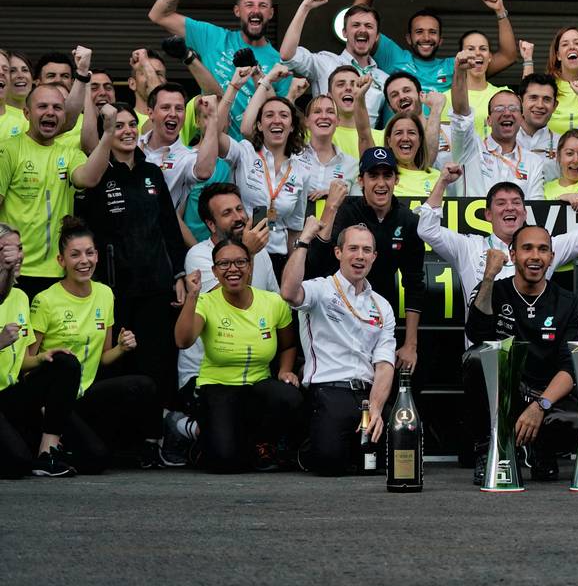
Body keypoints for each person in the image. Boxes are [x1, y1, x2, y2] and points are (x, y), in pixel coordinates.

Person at [29, 217, 166, 472]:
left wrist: (122, 348)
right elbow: (25, 364)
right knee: (98, 459)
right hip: (54, 399)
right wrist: (47, 358)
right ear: (61, 261)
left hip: (86, 393)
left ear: (97, 256)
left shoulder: (104, 293)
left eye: (90, 253)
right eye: (75, 255)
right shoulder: (45, 300)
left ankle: (148, 447)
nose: (84, 261)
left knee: (144, 385)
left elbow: (103, 357)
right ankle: (49, 443)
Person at [76, 103, 189, 412]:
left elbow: (169, 227)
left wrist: (178, 273)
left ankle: (155, 437)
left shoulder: (152, 172)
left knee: (157, 361)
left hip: (155, 286)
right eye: (119, 126)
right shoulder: (96, 174)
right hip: (114, 289)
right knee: (120, 360)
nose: (127, 131)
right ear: (106, 134)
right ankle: (121, 441)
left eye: (131, 125)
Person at [463, 229, 578, 483]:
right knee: (476, 358)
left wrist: (540, 406)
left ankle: (541, 450)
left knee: (576, 420)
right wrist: (489, 276)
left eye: (543, 250)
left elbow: (571, 366)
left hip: (547, 397)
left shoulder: (568, 302)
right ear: (513, 254)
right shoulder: (494, 290)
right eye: (527, 248)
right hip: (507, 393)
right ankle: (490, 451)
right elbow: (477, 335)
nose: (535, 256)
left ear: (551, 257)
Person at [175, 238, 302, 473]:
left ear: (250, 266)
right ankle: (197, 431)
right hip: (218, 386)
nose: (233, 269)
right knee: (225, 462)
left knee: (289, 396)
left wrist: (285, 369)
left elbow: (288, 345)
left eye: (240, 262)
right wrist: (192, 296)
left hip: (257, 386)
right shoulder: (205, 302)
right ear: (214, 271)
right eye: (224, 264)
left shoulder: (272, 302)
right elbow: (183, 341)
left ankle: (259, 442)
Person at [281, 218, 396, 476]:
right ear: (338, 252)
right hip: (329, 391)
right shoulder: (320, 289)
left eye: (366, 250)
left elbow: (385, 364)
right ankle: (306, 444)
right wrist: (303, 241)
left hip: (367, 395)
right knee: (329, 463)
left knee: (398, 453)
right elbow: (288, 292)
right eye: (353, 249)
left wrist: (376, 408)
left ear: (374, 257)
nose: (359, 256)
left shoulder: (382, 305)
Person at [417, 165, 578, 310]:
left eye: (516, 203)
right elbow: (427, 229)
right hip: (482, 357)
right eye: (501, 203)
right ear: (487, 215)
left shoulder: (544, 248)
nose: (510, 207)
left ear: (525, 213)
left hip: (531, 354)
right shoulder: (468, 247)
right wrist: (442, 181)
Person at [307, 151, 425, 373]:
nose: (381, 183)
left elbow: (414, 284)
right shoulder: (345, 211)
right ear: (361, 180)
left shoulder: (408, 220)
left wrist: (410, 344)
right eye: (373, 176)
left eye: (387, 175)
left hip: (382, 318)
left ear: (396, 180)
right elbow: (316, 263)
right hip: (339, 316)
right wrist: (330, 208)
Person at [148, 0, 290, 138]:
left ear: (270, 13)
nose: (256, 10)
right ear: (237, 11)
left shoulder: (280, 62)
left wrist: (258, 75)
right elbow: (159, 14)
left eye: (263, 6)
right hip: (214, 154)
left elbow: (281, 115)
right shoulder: (213, 38)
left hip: (256, 158)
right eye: (249, 5)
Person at [0, 85, 116, 298]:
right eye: (42, 106)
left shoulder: (70, 154)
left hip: (58, 271)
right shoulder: (8, 150)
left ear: (64, 117)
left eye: (57, 107)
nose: (50, 112)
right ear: (27, 113)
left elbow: (89, 178)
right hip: (14, 270)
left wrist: (108, 134)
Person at [0, 224, 82, 477]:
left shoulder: (21, 297)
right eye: (6, 250)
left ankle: (48, 452)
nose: (17, 255)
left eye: (19, 248)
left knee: (64, 362)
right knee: (16, 464)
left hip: (9, 395)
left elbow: (20, 362)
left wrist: (41, 359)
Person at [355, 0, 515, 93]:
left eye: (433, 32)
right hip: (399, 133)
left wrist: (500, 11)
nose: (426, 37)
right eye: (419, 32)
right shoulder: (394, 57)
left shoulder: (456, 66)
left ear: (440, 40)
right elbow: (355, 23)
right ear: (409, 38)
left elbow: (508, 57)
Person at [221, 66, 311, 276]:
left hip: (278, 259)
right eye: (269, 115)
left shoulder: (301, 172)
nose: (277, 120)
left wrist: (293, 269)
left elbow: (295, 229)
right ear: (259, 125)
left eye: (284, 116)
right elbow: (216, 135)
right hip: (239, 251)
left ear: (291, 126)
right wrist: (264, 81)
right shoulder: (244, 152)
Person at [279, 0, 391, 124]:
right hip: (326, 141)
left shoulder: (384, 79)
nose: (362, 30)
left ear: (377, 36)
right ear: (344, 32)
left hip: (365, 143)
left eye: (369, 26)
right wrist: (305, 7)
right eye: (356, 25)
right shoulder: (325, 62)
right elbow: (287, 55)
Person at [449, 52, 546, 198]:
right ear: (489, 120)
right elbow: (461, 115)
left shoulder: (534, 162)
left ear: (521, 118)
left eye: (513, 109)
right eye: (499, 109)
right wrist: (460, 71)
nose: (507, 113)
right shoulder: (470, 148)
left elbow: (535, 206)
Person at [131, 81, 219, 208]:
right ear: (150, 113)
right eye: (165, 107)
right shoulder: (133, 145)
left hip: (163, 227)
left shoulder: (187, 157)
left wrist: (212, 118)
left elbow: (204, 172)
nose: (173, 114)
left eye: (179, 109)